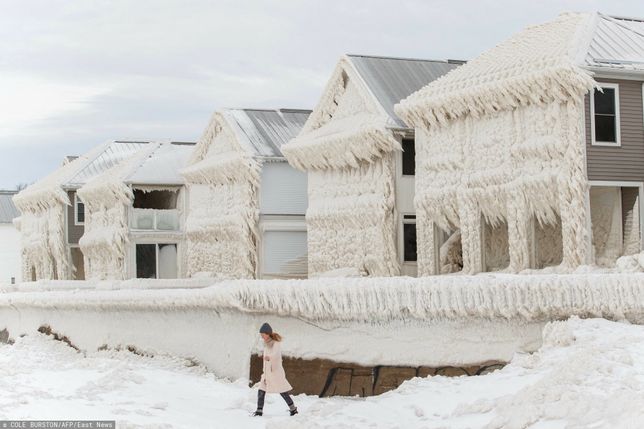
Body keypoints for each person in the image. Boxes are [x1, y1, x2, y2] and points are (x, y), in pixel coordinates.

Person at [252, 322, 298, 417]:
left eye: (262, 334)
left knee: (282, 391)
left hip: (275, 373)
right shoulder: (266, 344)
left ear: (267, 333)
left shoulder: (275, 343)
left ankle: (293, 409)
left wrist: (269, 357)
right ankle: (259, 411)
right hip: (266, 373)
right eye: (261, 335)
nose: (261, 336)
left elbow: (276, 354)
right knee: (261, 390)